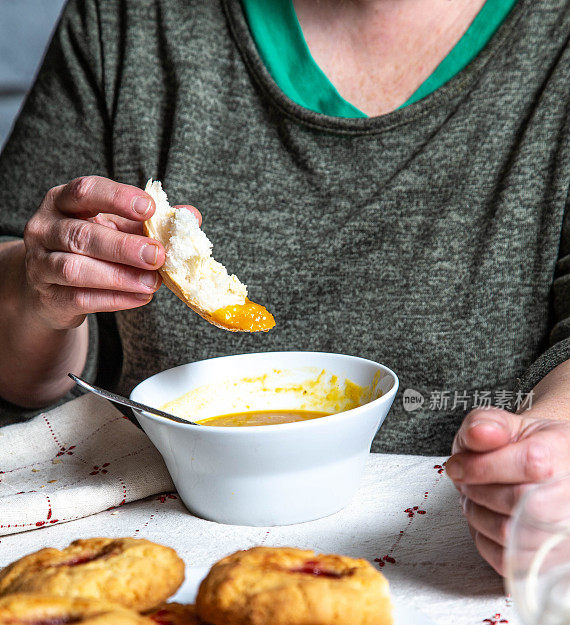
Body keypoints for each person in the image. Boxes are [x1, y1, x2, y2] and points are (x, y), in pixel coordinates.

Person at [0, 0, 568, 576]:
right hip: (143, 553)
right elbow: (21, 343)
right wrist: (40, 291)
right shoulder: (125, 19)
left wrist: (552, 452)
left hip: (465, 562)